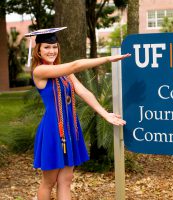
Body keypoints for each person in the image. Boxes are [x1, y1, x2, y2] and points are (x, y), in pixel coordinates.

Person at [26, 27, 130, 200]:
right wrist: (107, 58)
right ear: (38, 50)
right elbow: (75, 65)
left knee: (66, 180)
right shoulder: (40, 71)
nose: (52, 51)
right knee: (49, 181)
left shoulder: (65, 73)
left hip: (69, 128)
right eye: (46, 47)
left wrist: (105, 114)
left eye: (54, 47)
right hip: (53, 131)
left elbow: (84, 92)